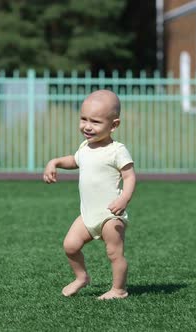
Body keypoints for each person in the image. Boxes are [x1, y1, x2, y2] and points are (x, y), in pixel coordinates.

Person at [43, 89, 136, 300]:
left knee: (114, 253)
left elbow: (129, 177)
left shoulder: (117, 150)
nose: (87, 126)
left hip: (110, 214)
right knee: (70, 246)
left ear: (114, 125)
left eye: (95, 121)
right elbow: (74, 161)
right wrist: (55, 162)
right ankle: (81, 277)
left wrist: (123, 199)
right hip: (88, 214)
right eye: (83, 119)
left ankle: (119, 289)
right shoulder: (85, 147)